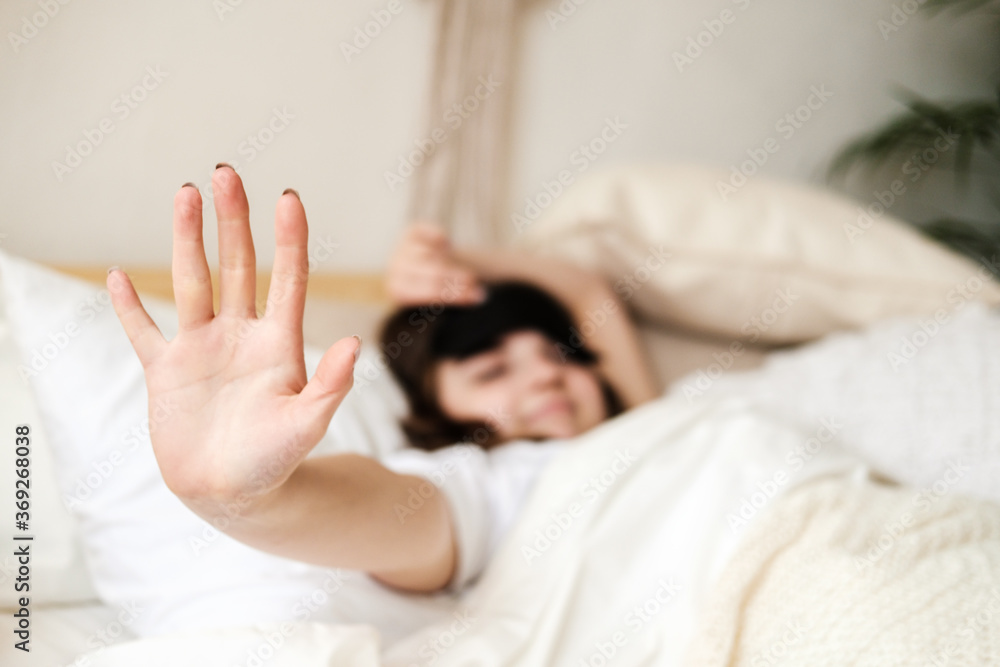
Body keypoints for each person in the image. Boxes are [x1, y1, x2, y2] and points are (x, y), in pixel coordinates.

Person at [107, 165, 660, 598]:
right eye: (492, 371)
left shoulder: (645, 418)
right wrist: (250, 501)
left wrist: (452, 262)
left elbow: (589, 294)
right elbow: (409, 517)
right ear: (435, 407)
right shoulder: (496, 480)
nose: (544, 375)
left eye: (560, 356)